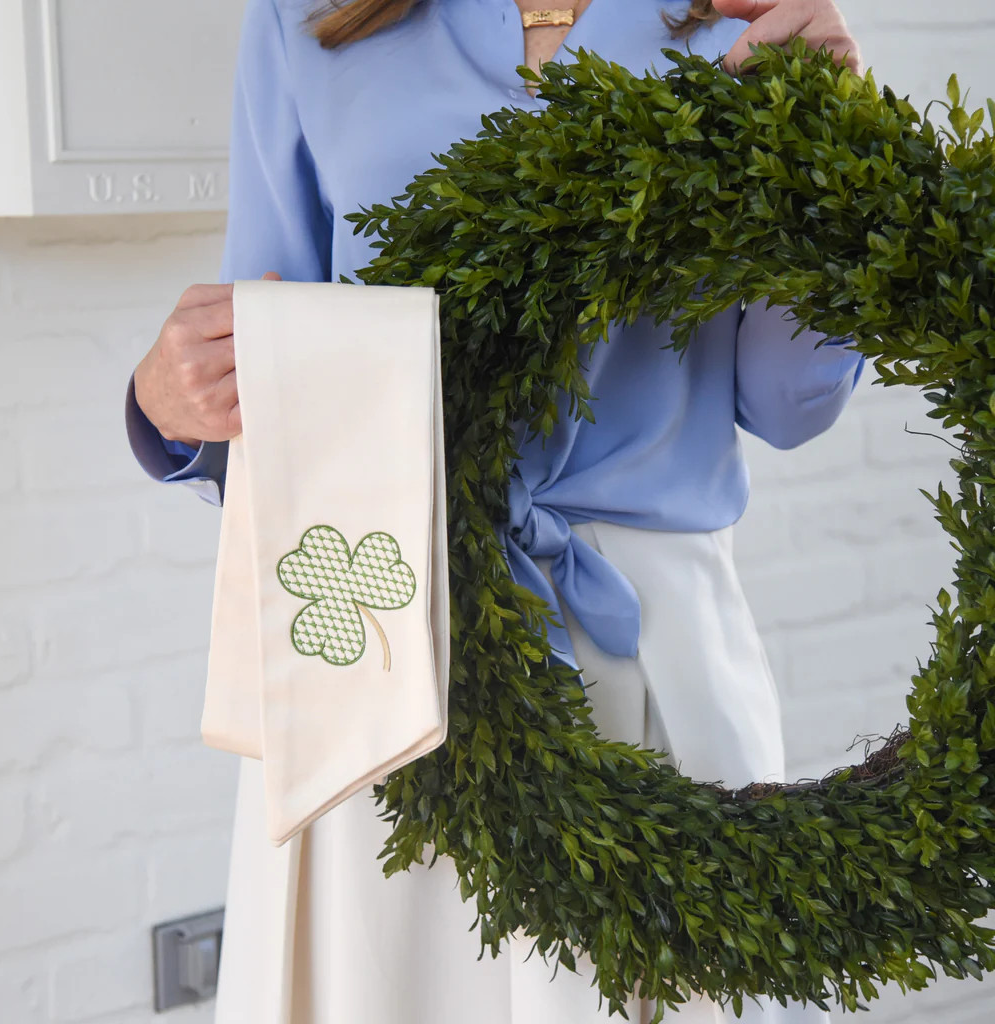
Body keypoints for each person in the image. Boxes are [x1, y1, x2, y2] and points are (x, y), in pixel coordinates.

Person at [124, 0, 867, 1020]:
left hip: (654, 648)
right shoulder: (310, 19)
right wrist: (165, 402)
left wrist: (832, 144)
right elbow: (273, 348)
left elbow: (790, 402)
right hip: (387, 645)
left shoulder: (737, 16)